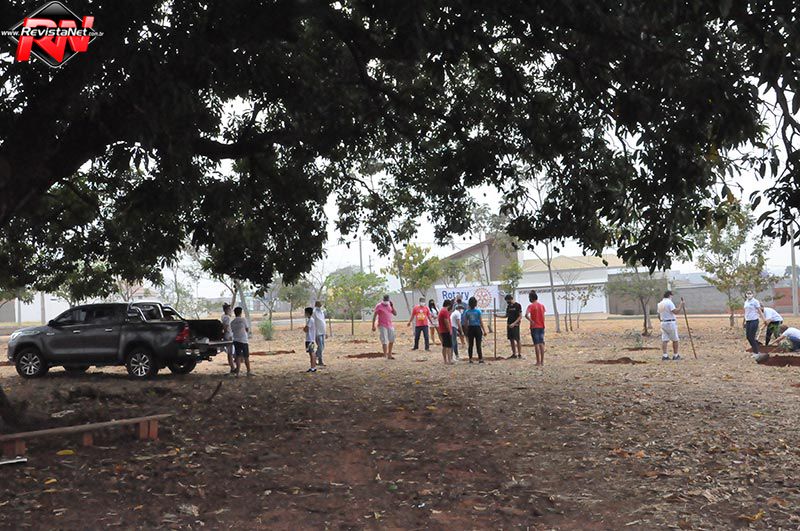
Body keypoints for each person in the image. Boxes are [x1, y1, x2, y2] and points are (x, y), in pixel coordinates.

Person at [656, 290, 685, 361]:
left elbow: (658, 315)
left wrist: (662, 320)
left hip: (663, 323)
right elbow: (676, 312)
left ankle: (665, 355)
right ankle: (676, 355)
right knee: (675, 339)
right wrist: (681, 305)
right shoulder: (669, 302)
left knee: (664, 339)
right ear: (670, 295)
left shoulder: (660, 303)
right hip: (670, 323)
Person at [372, 295, 398, 359]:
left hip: (390, 325)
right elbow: (374, 316)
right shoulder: (379, 306)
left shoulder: (390, 305)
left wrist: (392, 306)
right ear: (383, 300)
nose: (386, 301)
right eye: (385, 300)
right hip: (382, 325)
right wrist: (373, 325)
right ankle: (385, 355)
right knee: (384, 340)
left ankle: (389, 354)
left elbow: (395, 314)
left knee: (392, 339)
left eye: (387, 300)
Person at [463, 296, 487, 363]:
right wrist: (484, 330)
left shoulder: (467, 312)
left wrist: (466, 330)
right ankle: (480, 358)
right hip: (477, 328)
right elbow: (481, 322)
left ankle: (470, 359)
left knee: (470, 344)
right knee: (478, 344)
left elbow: (465, 322)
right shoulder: (478, 311)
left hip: (470, 328)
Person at [525, 291, 546, 366]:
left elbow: (526, 315)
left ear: (531, 298)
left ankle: (538, 361)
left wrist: (531, 321)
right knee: (541, 343)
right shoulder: (542, 306)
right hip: (541, 326)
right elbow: (543, 315)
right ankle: (542, 361)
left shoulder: (530, 306)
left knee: (536, 344)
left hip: (534, 327)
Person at [230, 306, 251, 376]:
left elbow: (232, 330)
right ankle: (248, 371)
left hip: (236, 340)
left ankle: (238, 372)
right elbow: (247, 329)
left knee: (238, 356)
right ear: (241, 313)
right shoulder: (243, 320)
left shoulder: (232, 322)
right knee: (246, 356)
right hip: (243, 340)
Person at [743, 290, 762, 361]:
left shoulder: (755, 301)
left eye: (750, 293)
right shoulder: (746, 302)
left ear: (753, 294)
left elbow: (759, 311)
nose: (749, 295)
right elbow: (746, 312)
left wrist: (764, 319)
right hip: (748, 321)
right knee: (748, 337)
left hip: (754, 320)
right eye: (747, 293)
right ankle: (755, 350)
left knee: (752, 336)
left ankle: (756, 352)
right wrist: (744, 321)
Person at [504, 294, 523, 359]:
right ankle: (514, 354)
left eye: (508, 300)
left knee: (517, 339)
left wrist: (514, 323)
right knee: (511, 339)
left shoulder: (518, 305)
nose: (507, 302)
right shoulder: (508, 306)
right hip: (509, 325)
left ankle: (519, 354)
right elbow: (506, 316)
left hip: (515, 325)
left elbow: (520, 316)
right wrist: (497, 316)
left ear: (511, 299)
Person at [221, 303, 235, 374]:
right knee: (230, 353)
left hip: (227, 335)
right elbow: (225, 327)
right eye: (229, 309)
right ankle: (232, 367)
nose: (230, 311)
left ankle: (232, 367)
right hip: (229, 335)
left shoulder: (223, 316)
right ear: (226, 310)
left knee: (230, 353)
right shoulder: (227, 318)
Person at [438, 299, 453, 364]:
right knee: (449, 346)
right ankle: (449, 360)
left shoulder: (441, 310)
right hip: (446, 331)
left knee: (444, 346)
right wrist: (450, 330)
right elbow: (446, 321)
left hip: (442, 330)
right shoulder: (445, 311)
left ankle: (445, 360)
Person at [303, 307, 317, 373]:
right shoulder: (310, 320)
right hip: (310, 339)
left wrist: (304, 328)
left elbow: (306, 329)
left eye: (305, 312)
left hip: (310, 339)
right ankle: (312, 367)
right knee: (311, 353)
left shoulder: (310, 320)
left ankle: (313, 367)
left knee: (312, 353)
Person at [313, 301, 327, 367]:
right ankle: (319, 360)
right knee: (320, 346)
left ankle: (315, 358)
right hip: (317, 332)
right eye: (319, 305)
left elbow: (323, 321)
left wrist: (325, 332)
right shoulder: (314, 312)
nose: (320, 306)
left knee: (322, 346)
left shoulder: (321, 312)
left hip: (322, 332)